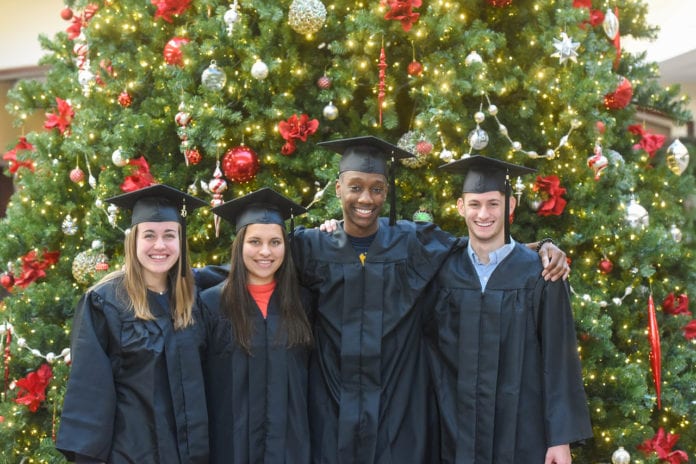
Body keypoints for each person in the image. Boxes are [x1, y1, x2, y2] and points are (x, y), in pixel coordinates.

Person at [293, 136, 570, 463]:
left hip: (397, 416)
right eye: (355, 187)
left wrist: (543, 247)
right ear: (338, 189)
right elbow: (259, 266)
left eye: (376, 188)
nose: (365, 198)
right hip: (332, 408)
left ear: (386, 190)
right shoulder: (312, 246)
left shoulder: (411, 243)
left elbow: (480, 246)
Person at [423, 155, 593, 463]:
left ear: (511, 206)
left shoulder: (541, 274)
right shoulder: (442, 268)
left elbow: (559, 358)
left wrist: (560, 439)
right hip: (452, 432)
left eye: (493, 204)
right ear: (461, 207)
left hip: (521, 434)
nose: (483, 213)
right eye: (474, 204)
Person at [56, 184, 210, 463]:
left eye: (169, 235)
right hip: (130, 454)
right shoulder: (105, 302)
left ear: (180, 240)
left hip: (190, 453)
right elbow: (90, 393)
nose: (160, 245)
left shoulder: (193, 298)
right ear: (134, 241)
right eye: (149, 235)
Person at [199, 187, 314, 463]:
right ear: (240, 245)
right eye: (255, 242)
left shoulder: (305, 303)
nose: (265, 252)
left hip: (291, 450)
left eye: (275, 242)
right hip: (229, 449)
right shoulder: (211, 305)